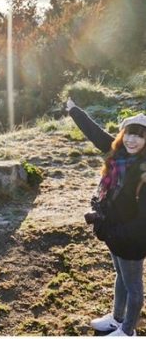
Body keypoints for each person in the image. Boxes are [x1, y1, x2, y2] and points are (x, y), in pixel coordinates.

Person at [67, 99, 146, 336]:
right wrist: (74, 110)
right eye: (130, 134)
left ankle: (127, 331)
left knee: (133, 286)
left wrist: (113, 232)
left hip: (132, 238)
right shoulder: (118, 155)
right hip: (114, 233)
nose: (133, 140)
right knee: (120, 276)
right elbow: (96, 134)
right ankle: (117, 318)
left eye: (141, 136)